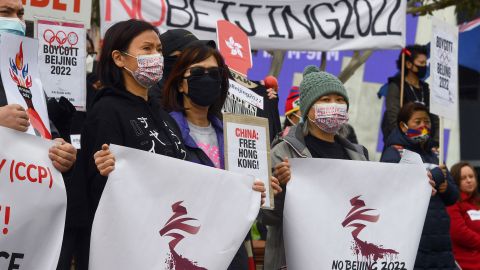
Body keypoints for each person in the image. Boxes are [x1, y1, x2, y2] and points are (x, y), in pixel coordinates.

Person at [72, 19, 189, 268]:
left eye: (158, 49)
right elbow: (99, 187)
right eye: (146, 49)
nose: (156, 56)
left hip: (165, 241)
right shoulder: (106, 111)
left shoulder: (166, 117)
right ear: (119, 58)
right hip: (125, 249)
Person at [161, 41, 280, 270]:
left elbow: (245, 198)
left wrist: (259, 191)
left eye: (214, 73)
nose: (206, 78)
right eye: (197, 72)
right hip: (184, 248)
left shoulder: (233, 134)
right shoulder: (164, 131)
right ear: (180, 84)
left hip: (228, 248)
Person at [261, 65, 369, 270]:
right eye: (325, 100)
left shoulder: (358, 155)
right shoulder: (283, 153)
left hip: (342, 258)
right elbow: (268, 217)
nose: (334, 106)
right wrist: (281, 189)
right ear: (306, 108)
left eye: (339, 100)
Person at [0, 0, 76, 174]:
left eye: (20, 14)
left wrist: (63, 153)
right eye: (5, 12)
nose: (17, 21)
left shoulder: (23, 75)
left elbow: (47, 134)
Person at [380, 102, 459, 270]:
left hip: (441, 241)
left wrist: (446, 188)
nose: (424, 125)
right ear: (403, 125)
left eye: (427, 121)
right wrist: (432, 178)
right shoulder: (394, 153)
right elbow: (391, 193)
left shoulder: (436, 153)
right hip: (413, 241)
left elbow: (453, 196)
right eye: (418, 122)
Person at [382, 45, 439, 145]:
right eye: (421, 63)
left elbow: (434, 120)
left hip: (424, 146)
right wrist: (406, 141)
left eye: (425, 63)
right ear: (408, 64)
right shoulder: (396, 86)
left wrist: (435, 142)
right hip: (401, 144)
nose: (424, 66)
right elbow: (393, 119)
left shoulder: (425, 88)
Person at [447, 162, 480, 270]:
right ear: (456, 181)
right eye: (463, 178)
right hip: (465, 263)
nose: (469, 180)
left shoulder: (477, 202)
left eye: (471, 176)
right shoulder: (453, 203)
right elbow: (459, 232)